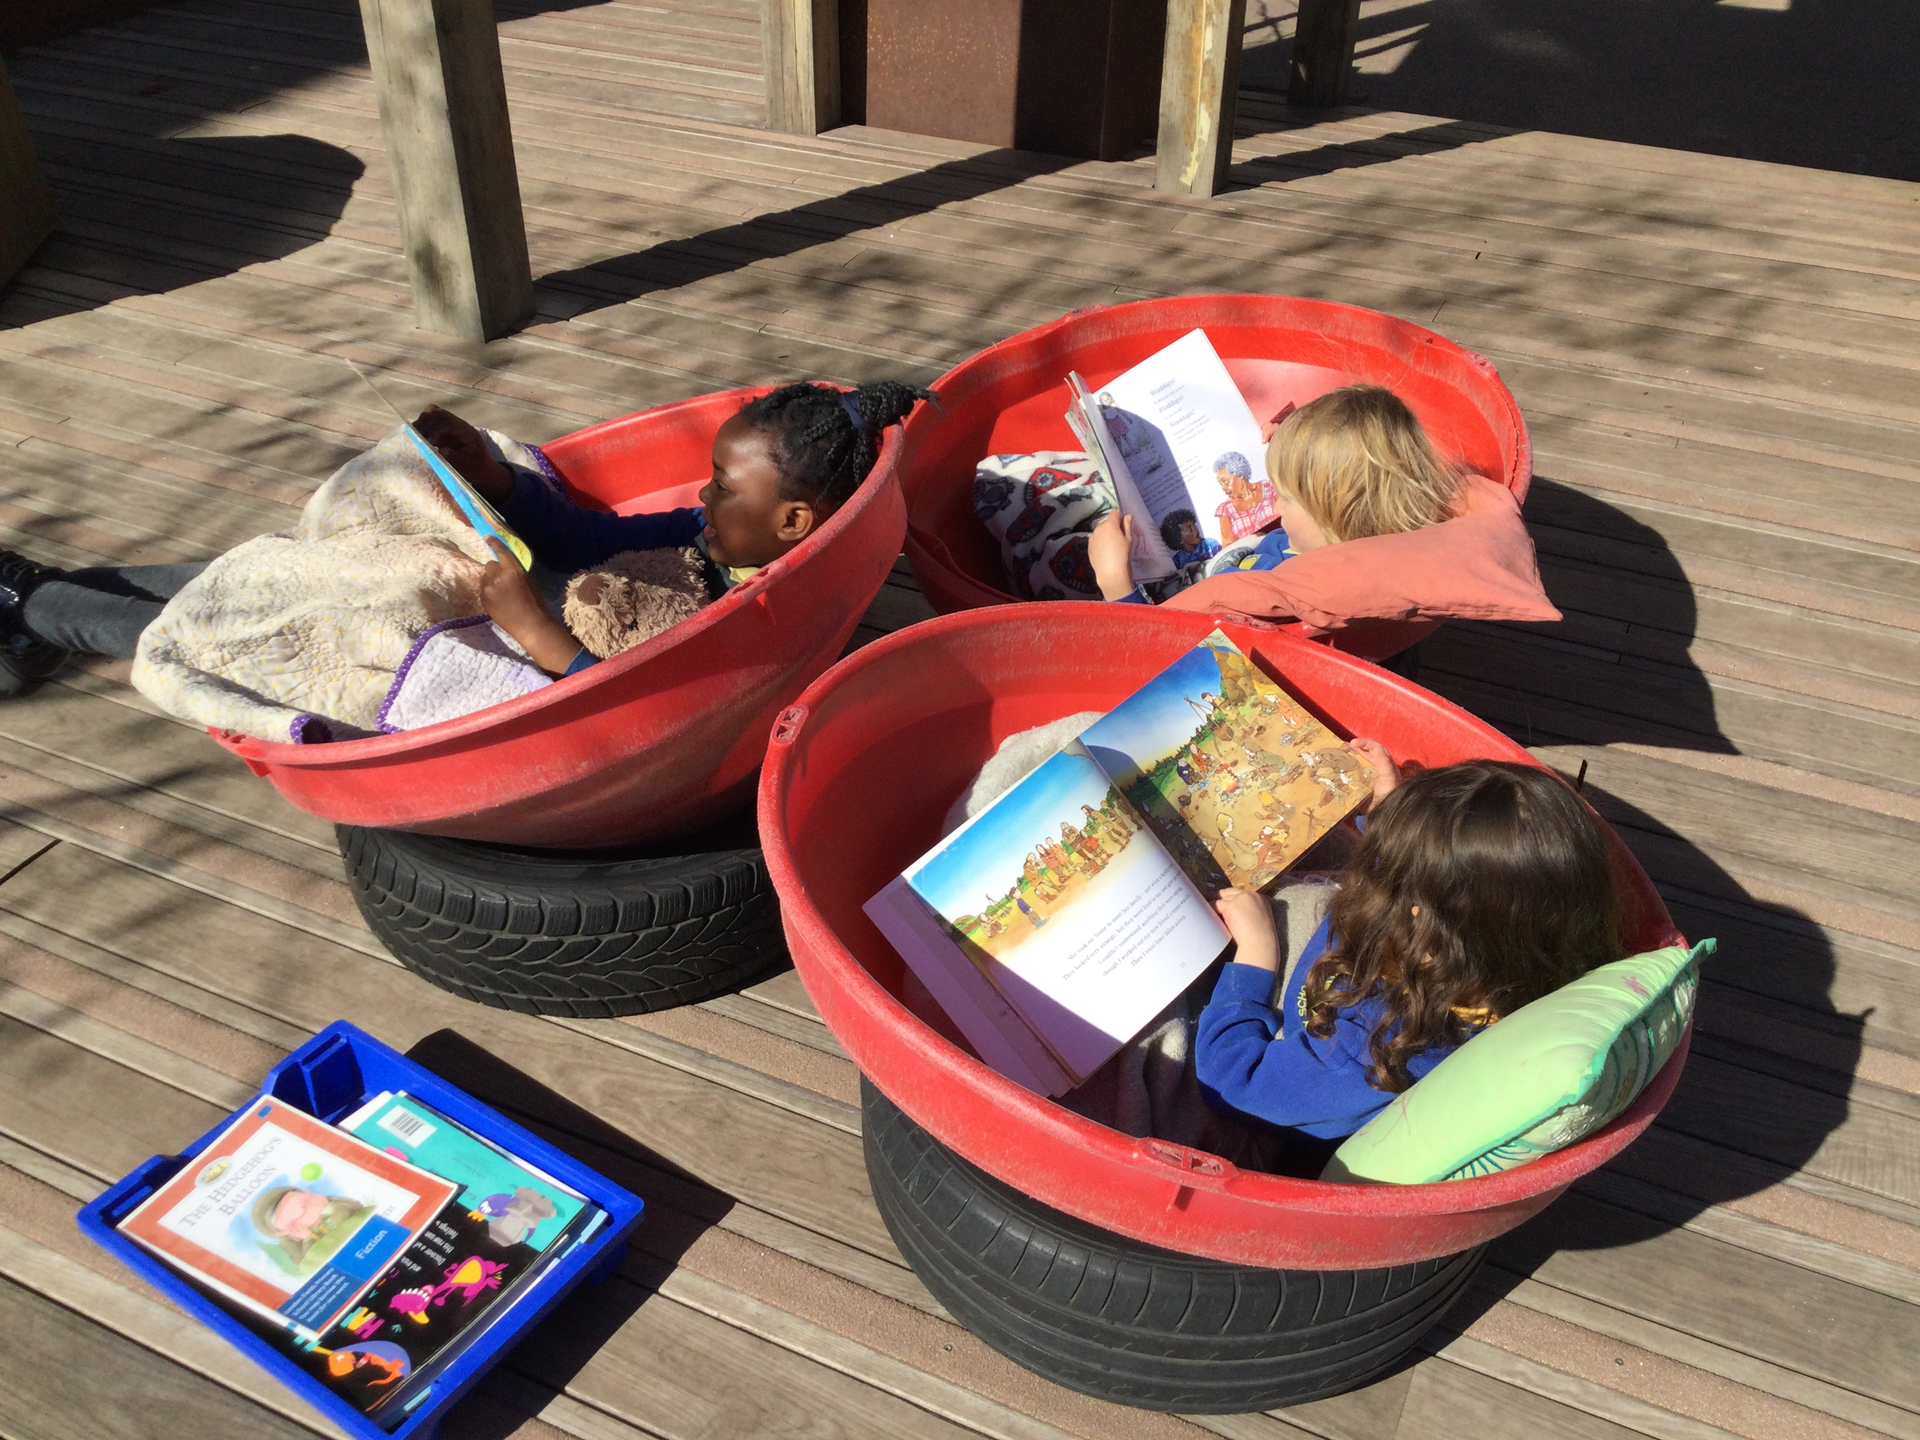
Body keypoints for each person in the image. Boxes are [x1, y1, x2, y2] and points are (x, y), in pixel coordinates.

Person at [0, 380, 931, 691]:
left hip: (476, 659)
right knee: (281, 572)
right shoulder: (715, 537)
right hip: (489, 593)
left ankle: (36, 603)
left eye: (724, 483)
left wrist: (537, 635)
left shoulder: (767, 616)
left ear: (794, 523)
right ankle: (35, 597)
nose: (701, 489)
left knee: (251, 626)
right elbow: (584, 533)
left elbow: (651, 711)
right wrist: (489, 476)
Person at [1197, 748, 1626, 1145]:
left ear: (1417, 921)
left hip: (1294, 1042)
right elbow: (1459, 887)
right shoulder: (1514, 954)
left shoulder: (1369, 1054)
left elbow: (1234, 1084)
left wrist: (1255, 956)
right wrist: (1389, 809)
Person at [1086, 385, 1461, 606]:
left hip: (1173, 602)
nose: (1275, 503)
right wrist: (1293, 442)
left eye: (1286, 496)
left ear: (1334, 515)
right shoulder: (1354, 538)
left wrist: (1115, 583)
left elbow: (1172, 654)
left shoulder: (1278, 590)